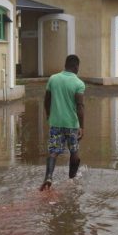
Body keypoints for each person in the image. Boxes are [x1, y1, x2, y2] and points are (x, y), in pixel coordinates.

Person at [40, 54, 85, 191]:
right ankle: (71, 179)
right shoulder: (78, 83)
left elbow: (47, 100)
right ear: (76, 66)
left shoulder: (53, 79)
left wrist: (49, 115)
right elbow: (80, 107)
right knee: (74, 152)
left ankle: (48, 177)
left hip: (56, 123)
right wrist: (82, 127)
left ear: (65, 65)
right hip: (71, 124)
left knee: (54, 151)